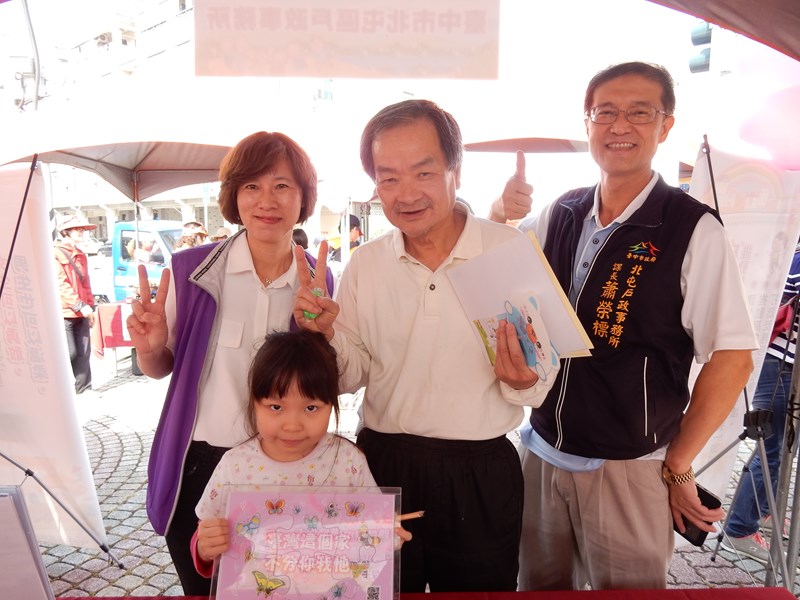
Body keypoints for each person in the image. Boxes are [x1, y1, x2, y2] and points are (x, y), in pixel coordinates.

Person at [488, 61, 757, 590]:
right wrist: (499, 214)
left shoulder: (690, 227)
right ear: (587, 122)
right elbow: (506, 290)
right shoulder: (559, 211)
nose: (619, 126)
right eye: (604, 112)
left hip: (629, 466)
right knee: (539, 587)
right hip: (541, 450)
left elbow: (732, 356)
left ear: (666, 126)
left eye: (639, 112)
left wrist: (679, 461)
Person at [293, 99, 555, 593]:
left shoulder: (508, 251)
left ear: (456, 170)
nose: (405, 194)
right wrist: (325, 337)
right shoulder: (366, 265)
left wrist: (525, 380)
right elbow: (351, 374)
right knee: (382, 592)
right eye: (388, 178)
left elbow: (542, 378)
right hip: (382, 466)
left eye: (423, 173)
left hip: (482, 472)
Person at [125, 131, 334, 595]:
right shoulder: (190, 271)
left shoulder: (319, 280)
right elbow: (161, 367)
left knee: (280, 588)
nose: (267, 200)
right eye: (252, 186)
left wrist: (323, 334)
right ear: (234, 196)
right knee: (203, 589)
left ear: (303, 198)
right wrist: (150, 347)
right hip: (199, 464)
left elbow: (320, 382)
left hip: (284, 465)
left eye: (282, 186)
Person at [191, 329, 411, 577]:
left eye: (311, 407)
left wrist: (386, 534)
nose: (293, 425)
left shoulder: (348, 462)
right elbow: (206, 532)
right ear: (254, 403)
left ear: (332, 405)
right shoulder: (234, 466)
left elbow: (369, 529)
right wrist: (204, 548)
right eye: (276, 406)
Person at [722, 245, 800, 562]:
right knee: (770, 447)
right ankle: (739, 528)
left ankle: (764, 510)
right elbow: (781, 291)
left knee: (783, 447)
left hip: (789, 365)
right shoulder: (794, 255)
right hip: (778, 361)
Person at [54, 214, 97, 394]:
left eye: (82, 229)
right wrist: (80, 305)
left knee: (84, 351)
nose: (81, 232)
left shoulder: (81, 254)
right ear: (66, 231)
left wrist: (90, 305)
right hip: (65, 311)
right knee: (69, 352)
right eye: (77, 229)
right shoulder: (55, 252)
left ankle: (84, 388)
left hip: (83, 311)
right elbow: (60, 283)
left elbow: (85, 282)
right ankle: (62, 390)